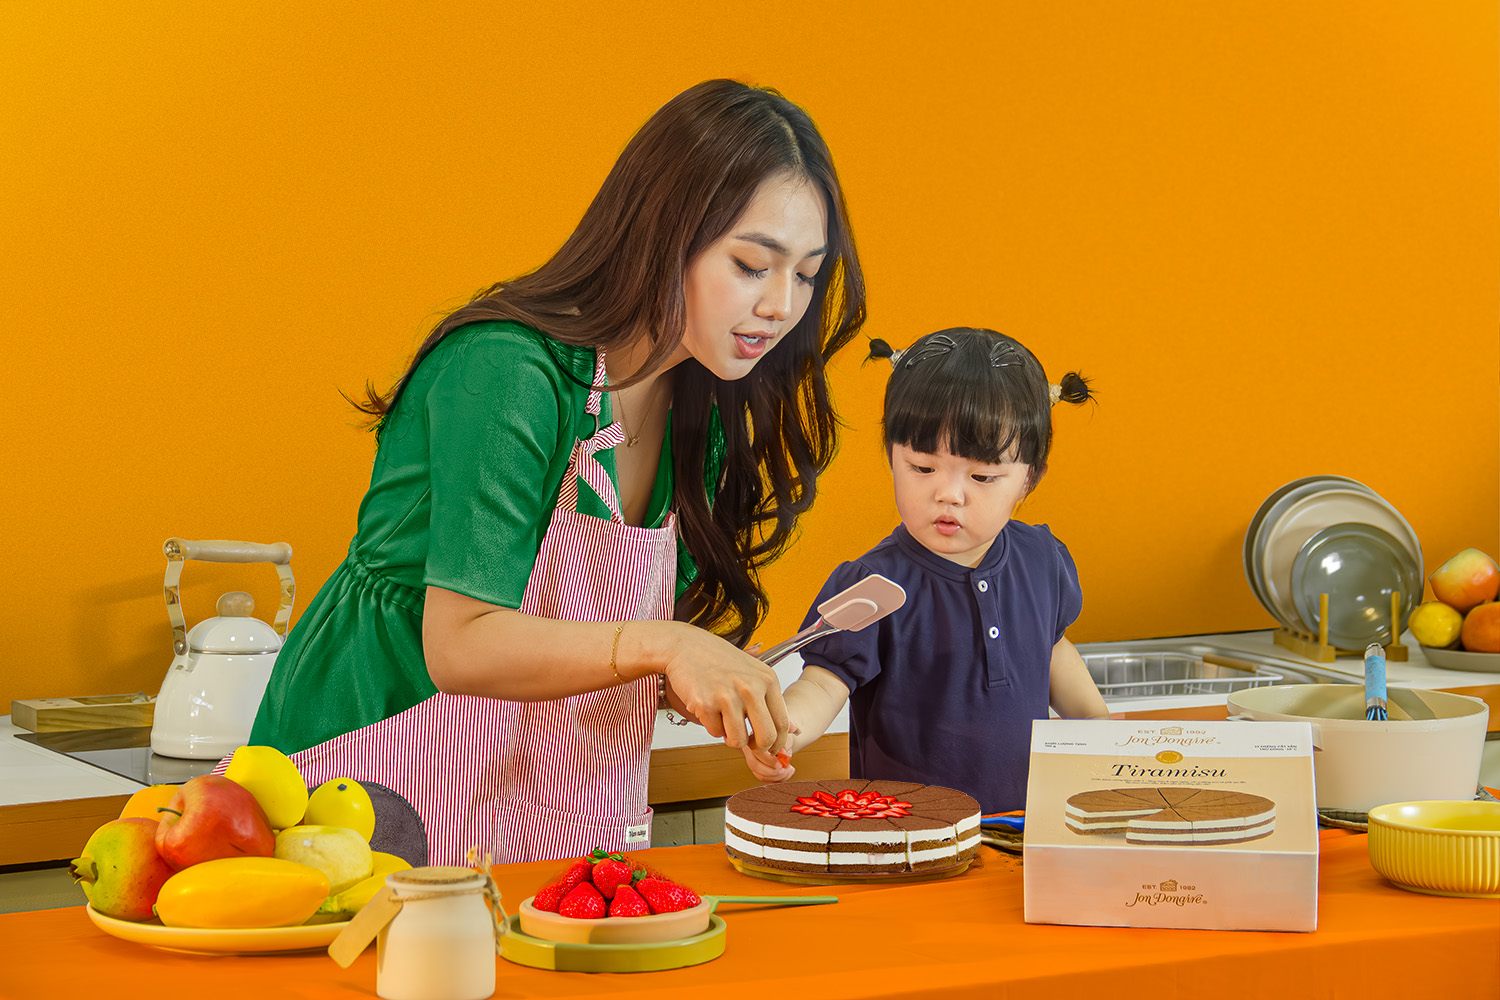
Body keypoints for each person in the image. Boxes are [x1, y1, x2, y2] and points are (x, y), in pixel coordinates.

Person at [246, 79, 867, 865]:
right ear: (664, 233)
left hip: (544, 797)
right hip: (372, 772)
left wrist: (703, 681)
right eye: (752, 265)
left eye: (807, 275)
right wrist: (668, 645)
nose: (783, 305)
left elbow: (597, 640)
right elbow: (462, 645)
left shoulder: (697, 416)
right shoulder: (507, 372)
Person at [742, 327, 1109, 814]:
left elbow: (1052, 649)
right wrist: (788, 729)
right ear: (891, 456)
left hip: (1025, 823)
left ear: (1031, 475)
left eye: (981, 477)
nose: (949, 493)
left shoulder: (1043, 558)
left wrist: (1098, 724)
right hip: (910, 832)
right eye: (922, 468)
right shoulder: (872, 584)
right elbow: (824, 680)